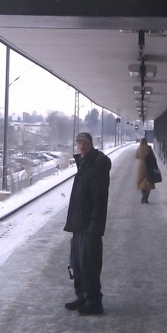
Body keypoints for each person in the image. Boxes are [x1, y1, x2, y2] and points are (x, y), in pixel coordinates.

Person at [64, 131, 111, 316]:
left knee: (89, 263)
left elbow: (100, 199)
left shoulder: (96, 166)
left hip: (89, 224)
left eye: (85, 143)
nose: (81, 146)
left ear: (91, 144)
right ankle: (82, 295)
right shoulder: (84, 164)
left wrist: (95, 223)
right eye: (79, 143)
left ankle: (94, 301)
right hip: (79, 223)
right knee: (77, 262)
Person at [135, 137, 157, 203]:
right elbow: (153, 158)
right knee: (149, 181)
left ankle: (143, 195)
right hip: (149, 167)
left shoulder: (139, 149)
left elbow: (137, 157)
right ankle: (146, 198)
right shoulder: (149, 148)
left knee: (141, 181)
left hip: (141, 167)